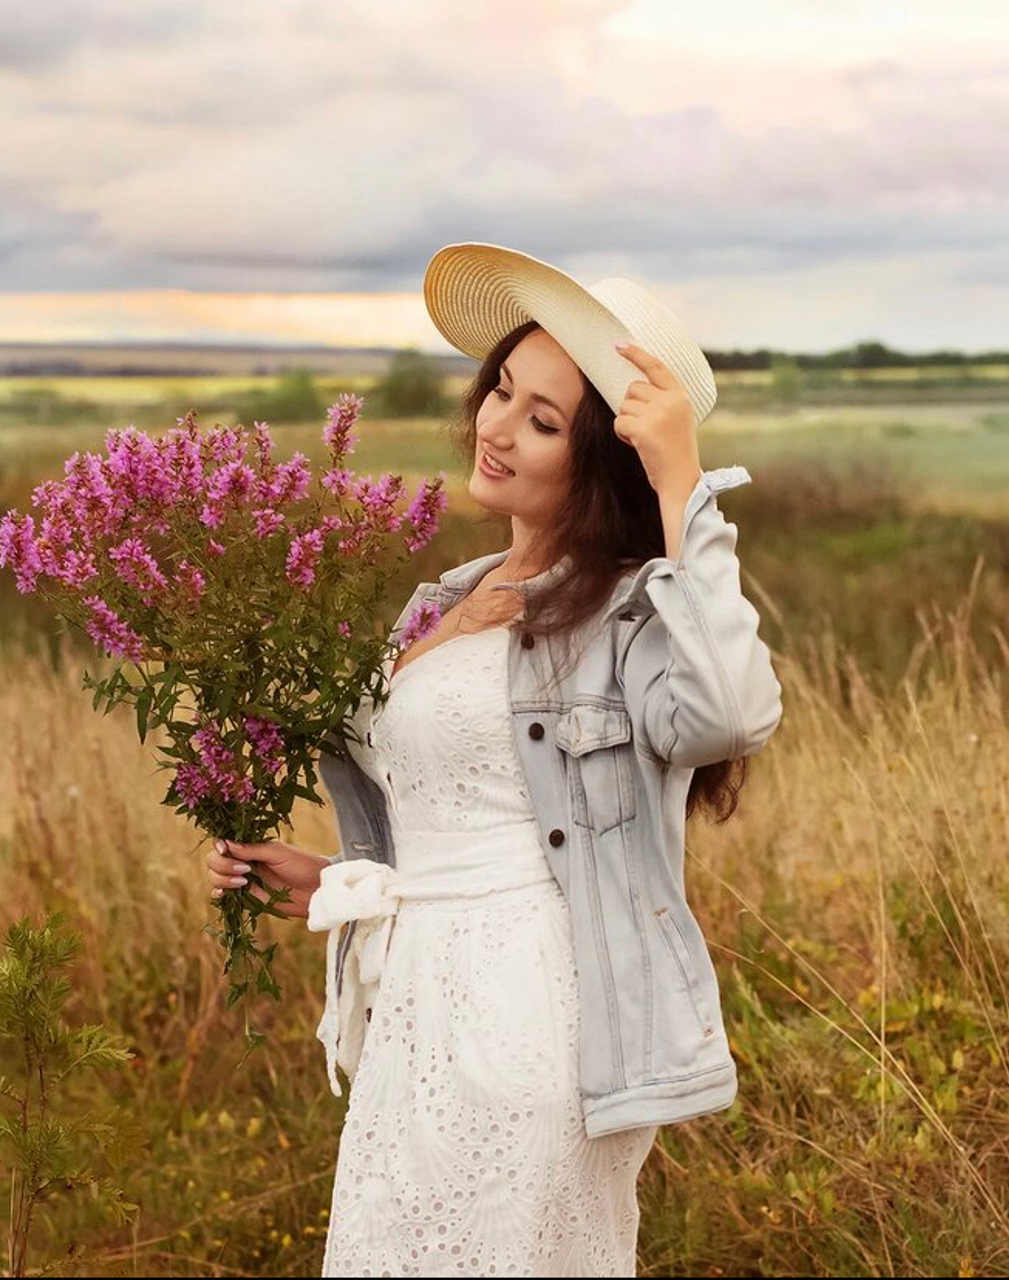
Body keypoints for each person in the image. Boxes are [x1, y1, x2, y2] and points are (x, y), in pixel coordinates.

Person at [205, 242, 784, 1276]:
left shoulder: (627, 612)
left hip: (537, 1018)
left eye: (543, 420)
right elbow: (451, 808)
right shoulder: (442, 598)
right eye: (502, 389)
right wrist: (339, 881)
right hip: (418, 1007)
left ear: (605, 462)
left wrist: (683, 486)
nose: (497, 425)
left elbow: (730, 717)